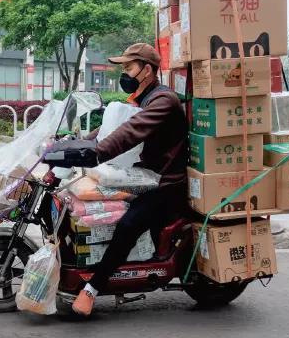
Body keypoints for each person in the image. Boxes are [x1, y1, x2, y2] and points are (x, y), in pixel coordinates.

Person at [47, 43, 189, 316]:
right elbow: (112, 129)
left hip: (165, 183)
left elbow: (130, 133)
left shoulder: (163, 101)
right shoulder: (140, 98)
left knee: (128, 224)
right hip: (142, 176)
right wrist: (73, 145)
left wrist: (96, 153)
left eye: (128, 67)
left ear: (146, 70)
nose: (123, 73)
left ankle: (92, 289)